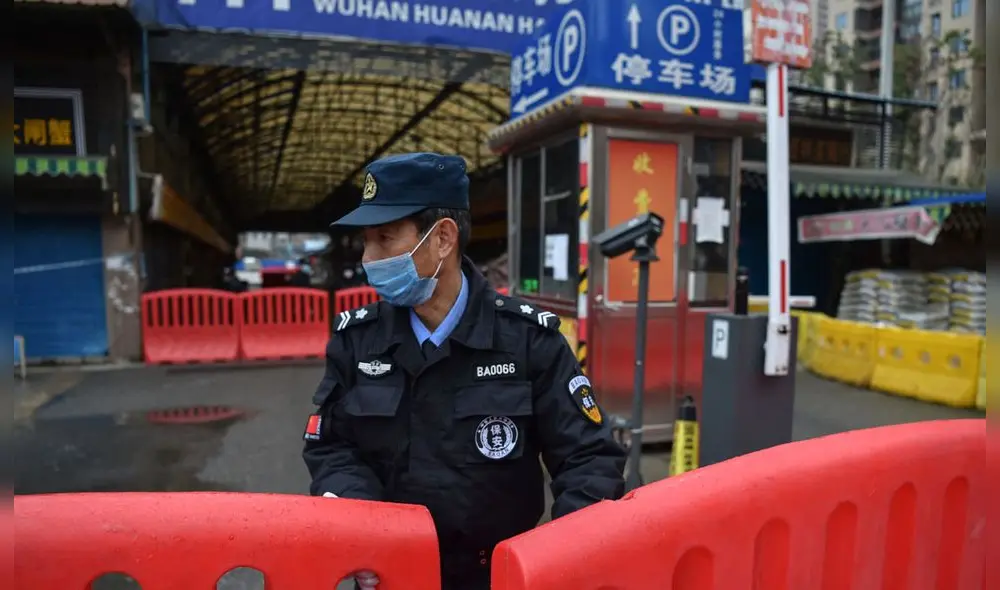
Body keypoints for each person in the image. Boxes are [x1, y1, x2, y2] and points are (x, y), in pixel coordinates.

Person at [302, 153, 625, 590]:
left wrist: (560, 557)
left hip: (498, 577)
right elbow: (331, 445)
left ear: (442, 239)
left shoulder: (528, 341)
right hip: (389, 575)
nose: (369, 258)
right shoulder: (357, 341)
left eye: (384, 238)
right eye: (366, 242)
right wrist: (361, 518)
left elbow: (589, 457)